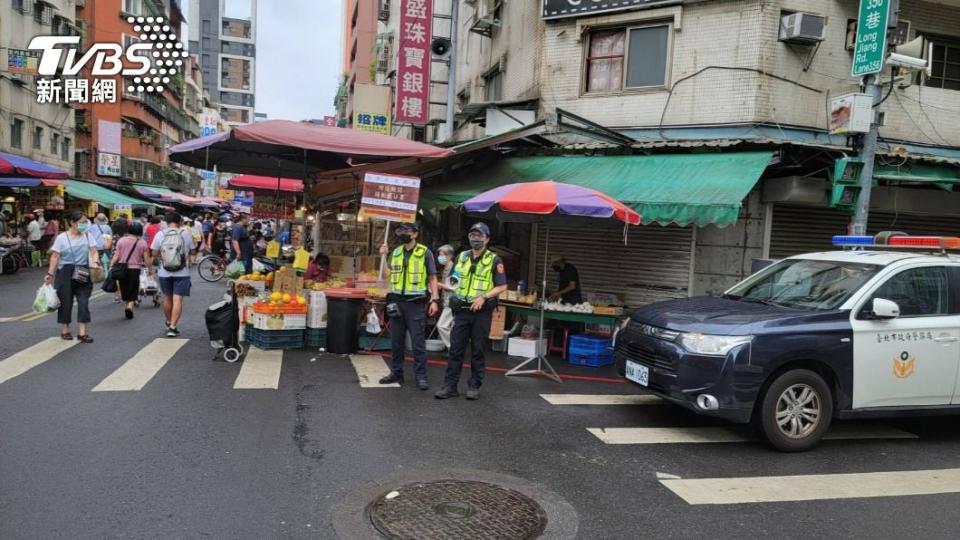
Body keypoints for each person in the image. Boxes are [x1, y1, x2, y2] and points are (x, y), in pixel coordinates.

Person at [436, 223, 508, 400]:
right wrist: (441, 287)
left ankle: (474, 386)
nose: (475, 238)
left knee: (478, 350)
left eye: (479, 235)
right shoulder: (462, 257)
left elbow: (502, 285)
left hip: (481, 312)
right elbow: (454, 282)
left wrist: (483, 297)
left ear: (487, 239)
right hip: (461, 310)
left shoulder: (494, 260)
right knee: (456, 350)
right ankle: (450, 386)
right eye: (472, 235)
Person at [377, 223, 440, 390]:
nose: (403, 234)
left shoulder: (425, 253)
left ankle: (421, 376)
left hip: (416, 304)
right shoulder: (396, 252)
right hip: (397, 302)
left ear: (415, 234)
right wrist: (383, 257)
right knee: (396, 341)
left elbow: (432, 277)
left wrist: (435, 299)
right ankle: (396, 373)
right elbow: (386, 275)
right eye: (401, 231)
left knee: (418, 342)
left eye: (407, 231)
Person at [44, 211, 100, 343]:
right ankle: (65, 330)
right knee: (65, 302)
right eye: (81, 222)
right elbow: (55, 256)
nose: (84, 225)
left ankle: (82, 333)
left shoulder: (87, 235)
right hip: (65, 272)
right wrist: (50, 274)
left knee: (83, 302)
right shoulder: (62, 238)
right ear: (72, 223)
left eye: (85, 222)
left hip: (83, 270)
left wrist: (96, 261)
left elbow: (93, 251)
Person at [150, 212, 196, 338]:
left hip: (164, 271)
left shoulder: (160, 234)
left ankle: (169, 321)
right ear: (180, 221)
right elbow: (193, 250)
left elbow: (153, 253)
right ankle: (173, 327)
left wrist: (163, 255)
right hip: (182, 271)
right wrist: (191, 259)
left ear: (165, 221)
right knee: (178, 299)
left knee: (167, 298)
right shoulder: (185, 233)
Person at [110, 221, 150, 320]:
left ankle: (127, 306)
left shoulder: (121, 240)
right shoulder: (142, 242)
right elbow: (146, 258)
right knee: (133, 290)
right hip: (135, 269)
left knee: (124, 289)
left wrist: (111, 265)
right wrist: (150, 269)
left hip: (122, 269)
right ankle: (129, 306)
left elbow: (117, 254)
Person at [435, 244, 457, 349]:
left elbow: (454, 287)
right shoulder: (445, 269)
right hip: (446, 301)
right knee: (450, 326)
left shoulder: (454, 269)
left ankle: (453, 347)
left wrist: (440, 285)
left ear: (449, 256)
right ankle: (452, 348)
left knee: (442, 325)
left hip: (451, 302)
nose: (440, 257)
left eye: (442, 254)